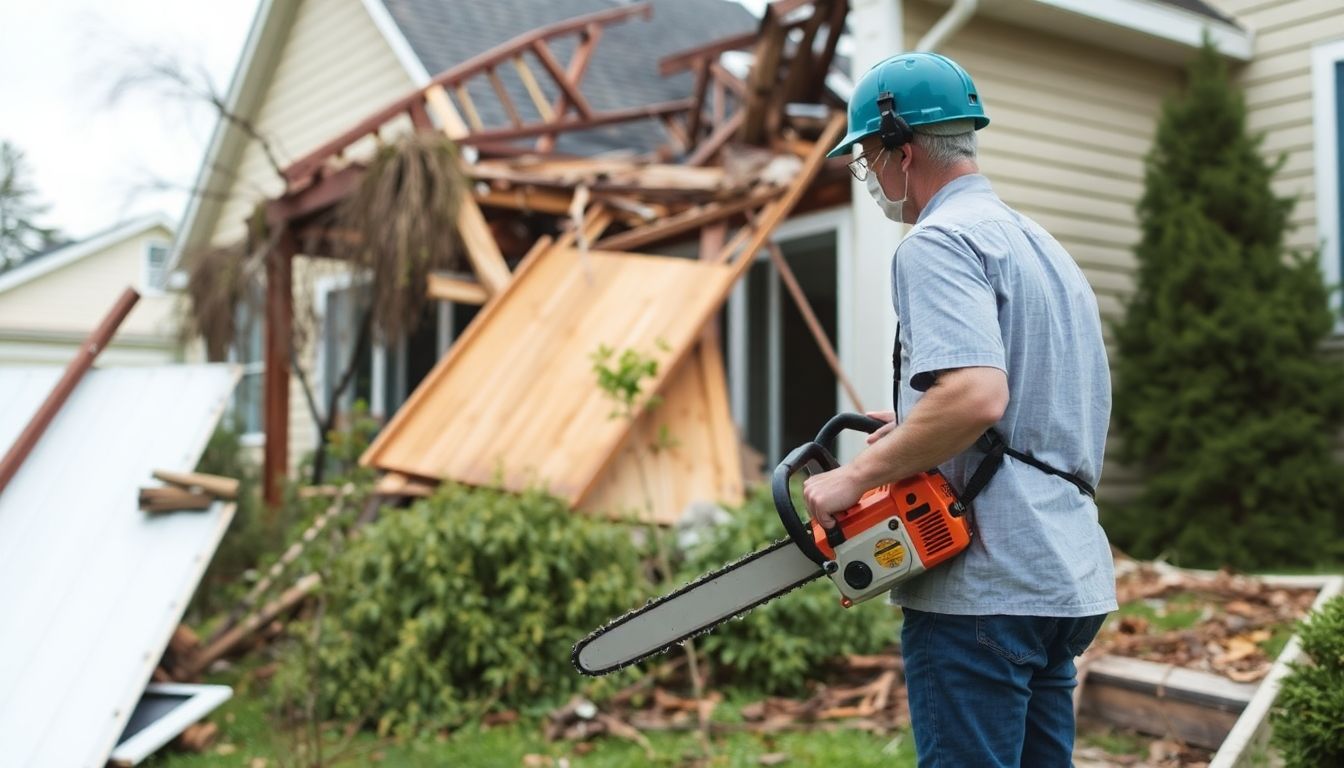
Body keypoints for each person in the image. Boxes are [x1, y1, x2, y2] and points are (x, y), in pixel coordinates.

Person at [801, 52, 1116, 767]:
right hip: (1060, 577)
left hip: (985, 586)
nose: (871, 179)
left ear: (900, 153)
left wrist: (855, 478)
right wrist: (916, 431)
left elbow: (977, 395)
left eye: (867, 161)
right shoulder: (1045, 250)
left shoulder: (937, 244)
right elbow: (1034, 405)